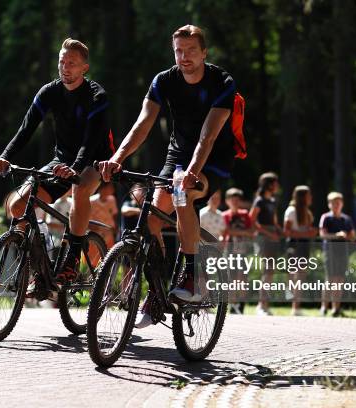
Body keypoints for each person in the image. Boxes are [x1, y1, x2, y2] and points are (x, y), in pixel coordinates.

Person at [99, 25, 242, 328]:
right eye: (179, 50)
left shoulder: (222, 82)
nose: (184, 56)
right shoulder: (164, 81)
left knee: (182, 195)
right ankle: (156, 293)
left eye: (191, 50)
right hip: (177, 156)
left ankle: (190, 276)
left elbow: (208, 135)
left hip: (212, 158)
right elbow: (142, 123)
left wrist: (192, 172)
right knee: (150, 216)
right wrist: (117, 158)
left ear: (204, 52)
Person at [0, 38, 114, 286]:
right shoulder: (49, 91)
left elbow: (89, 142)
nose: (65, 68)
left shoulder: (96, 96)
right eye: (62, 62)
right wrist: (5, 156)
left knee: (80, 189)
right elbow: (26, 129)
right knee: (17, 206)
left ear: (84, 68)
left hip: (95, 159)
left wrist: (75, 169)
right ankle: (40, 263)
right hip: (63, 158)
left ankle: (71, 258)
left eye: (72, 63)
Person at [249, 172, 282, 316]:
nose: (277, 185)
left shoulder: (273, 201)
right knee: (267, 271)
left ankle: (264, 304)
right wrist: (269, 234)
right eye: (275, 182)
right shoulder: (259, 201)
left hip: (273, 238)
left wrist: (279, 230)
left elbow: (274, 221)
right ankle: (261, 305)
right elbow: (252, 220)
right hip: (263, 238)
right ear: (268, 184)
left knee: (270, 271)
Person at [319, 192, 355, 317]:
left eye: (338, 203)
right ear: (329, 204)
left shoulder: (346, 219)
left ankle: (336, 308)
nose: (336, 205)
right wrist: (336, 236)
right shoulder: (326, 218)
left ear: (342, 204)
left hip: (342, 252)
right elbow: (322, 234)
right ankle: (324, 306)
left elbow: (352, 235)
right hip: (330, 251)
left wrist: (347, 236)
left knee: (340, 279)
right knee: (329, 279)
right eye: (334, 203)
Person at [283, 185, 318, 316]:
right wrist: (306, 234)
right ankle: (292, 300)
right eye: (308, 195)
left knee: (301, 276)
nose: (311, 198)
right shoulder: (291, 211)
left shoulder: (307, 212)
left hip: (304, 245)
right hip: (294, 244)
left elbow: (307, 230)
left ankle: (296, 306)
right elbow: (287, 232)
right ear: (303, 197)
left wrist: (312, 233)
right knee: (295, 275)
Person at [222, 188, 254, 314]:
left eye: (237, 200)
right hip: (229, 250)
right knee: (231, 277)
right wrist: (242, 232)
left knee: (242, 277)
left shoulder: (245, 214)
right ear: (227, 201)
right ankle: (232, 304)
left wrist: (240, 232)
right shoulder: (224, 215)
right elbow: (226, 231)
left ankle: (240, 304)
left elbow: (251, 231)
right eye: (232, 200)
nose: (235, 202)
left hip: (242, 250)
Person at [89, 183, 118, 248]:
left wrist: (114, 228)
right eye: (110, 187)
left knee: (108, 255)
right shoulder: (91, 201)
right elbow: (88, 221)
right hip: (95, 235)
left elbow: (114, 215)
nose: (113, 189)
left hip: (108, 234)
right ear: (103, 188)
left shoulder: (112, 199)